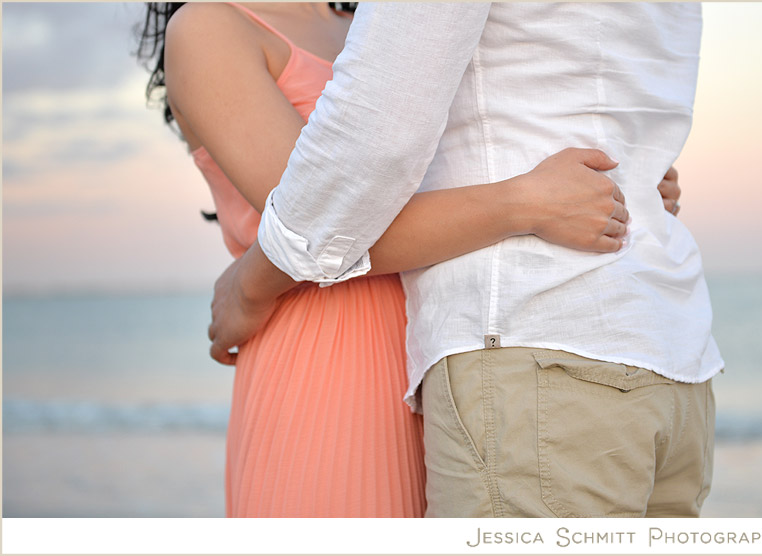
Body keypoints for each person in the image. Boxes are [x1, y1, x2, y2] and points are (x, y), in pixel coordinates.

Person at [209, 3, 722, 518]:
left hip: (532, 344)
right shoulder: (218, 27)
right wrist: (631, 181)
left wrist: (250, 284)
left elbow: (358, 164)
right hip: (655, 349)